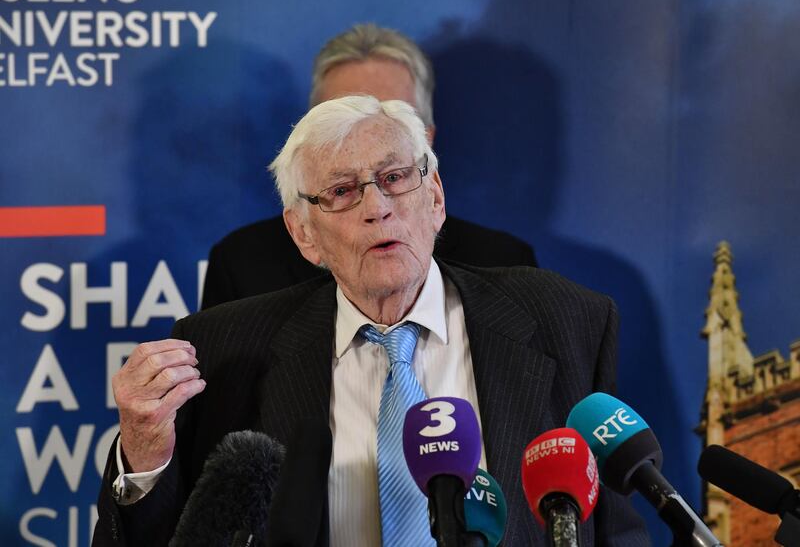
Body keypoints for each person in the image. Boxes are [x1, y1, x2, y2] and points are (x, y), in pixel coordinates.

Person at [93, 95, 648, 546]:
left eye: (394, 177)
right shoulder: (222, 351)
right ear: (303, 233)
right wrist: (145, 453)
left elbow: (613, 532)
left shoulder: (568, 320)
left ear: (434, 197)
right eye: (341, 191)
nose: (377, 206)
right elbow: (166, 538)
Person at [201, 24, 537, 310]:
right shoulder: (242, 264)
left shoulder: (503, 262)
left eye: (391, 118)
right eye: (341, 120)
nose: (367, 132)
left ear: (427, 142)